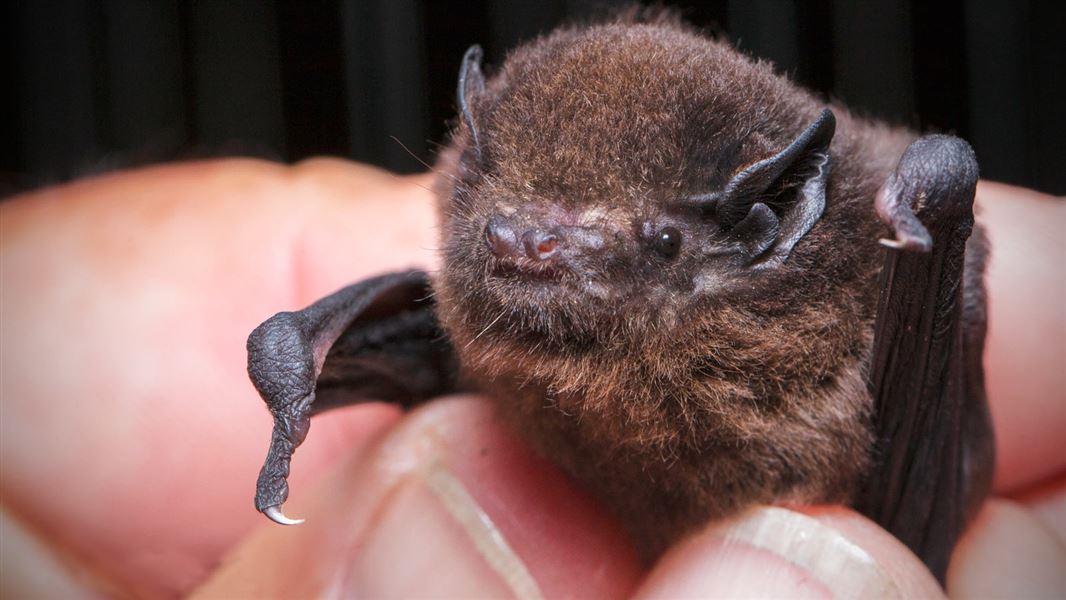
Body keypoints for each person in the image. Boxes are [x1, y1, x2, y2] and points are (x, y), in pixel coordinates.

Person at [2, 158, 1063, 598]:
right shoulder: (488, 316)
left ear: (764, 226)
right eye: (506, 211)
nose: (525, 244)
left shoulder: (832, 320)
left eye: (636, 237)